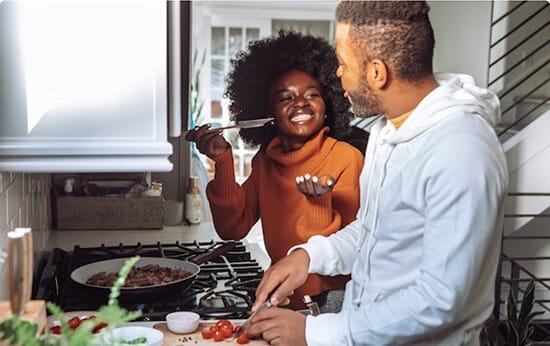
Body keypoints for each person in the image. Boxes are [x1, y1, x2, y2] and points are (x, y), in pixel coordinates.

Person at [249, 1, 509, 345]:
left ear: (376, 73)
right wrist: (309, 256)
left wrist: (317, 332)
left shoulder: (461, 150)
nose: (337, 74)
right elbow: (376, 232)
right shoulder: (388, 133)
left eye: (343, 63)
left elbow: (441, 300)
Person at [185, 31, 366, 311]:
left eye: (312, 95)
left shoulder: (346, 158)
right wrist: (223, 161)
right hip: (283, 294)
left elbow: (353, 249)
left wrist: (318, 202)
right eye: (286, 97)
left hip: (333, 301)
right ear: (267, 112)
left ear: (328, 105)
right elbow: (232, 228)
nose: (301, 103)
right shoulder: (266, 161)